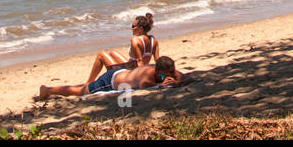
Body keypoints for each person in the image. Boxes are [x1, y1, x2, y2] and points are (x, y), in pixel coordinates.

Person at [38, 56, 188, 99]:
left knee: (82, 87)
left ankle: (50, 90)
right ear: (161, 70)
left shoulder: (163, 70)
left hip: (121, 73)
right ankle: (48, 90)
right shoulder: (148, 75)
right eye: (170, 72)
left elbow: (185, 77)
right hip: (111, 81)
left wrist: (178, 80)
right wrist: (164, 86)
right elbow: (145, 86)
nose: (173, 73)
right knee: (80, 91)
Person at [84, 13, 158, 84]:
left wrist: (142, 81)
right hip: (132, 68)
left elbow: (139, 62)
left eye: (133, 26)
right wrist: (161, 76)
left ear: (140, 28)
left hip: (131, 74)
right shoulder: (153, 40)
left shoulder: (135, 40)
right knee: (112, 52)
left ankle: (88, 83)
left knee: (101, 54)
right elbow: (157, 61)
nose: (131, 28)